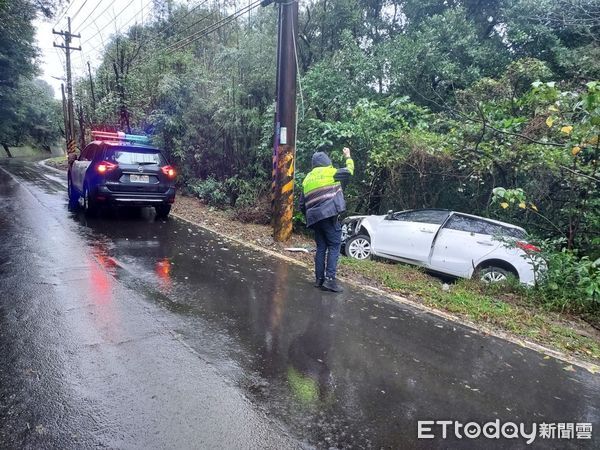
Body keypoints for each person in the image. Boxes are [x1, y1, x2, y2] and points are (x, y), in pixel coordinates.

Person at [299, 147, 354, 292]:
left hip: (314, 219)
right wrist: (348, 156)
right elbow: (349, 171)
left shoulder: (307, 179)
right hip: (329, 215)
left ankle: (319, 280)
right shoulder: (330, 172)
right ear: (326, 161)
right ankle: (330, 280)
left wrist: (311, 216)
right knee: (334, 246)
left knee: (321, 247)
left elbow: (301, 204)